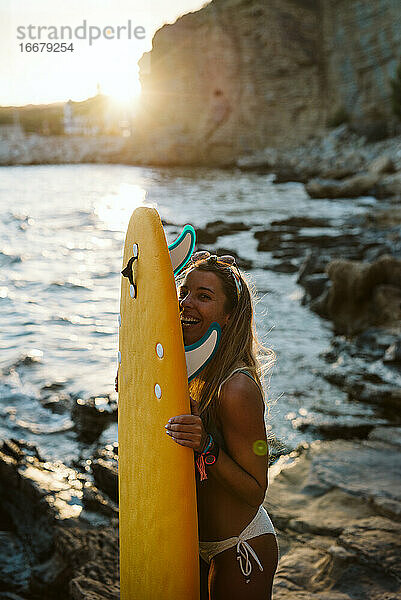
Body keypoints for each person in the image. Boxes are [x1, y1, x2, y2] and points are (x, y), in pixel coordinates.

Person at [164, 251, 279, 600]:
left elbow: (255, 489)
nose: (186, 303)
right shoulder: (185, 370)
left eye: (204, 296)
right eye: (184, 292)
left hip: (239, 547)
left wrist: (206, 446)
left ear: (228, 316)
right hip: (190, 545)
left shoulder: (236, 387)